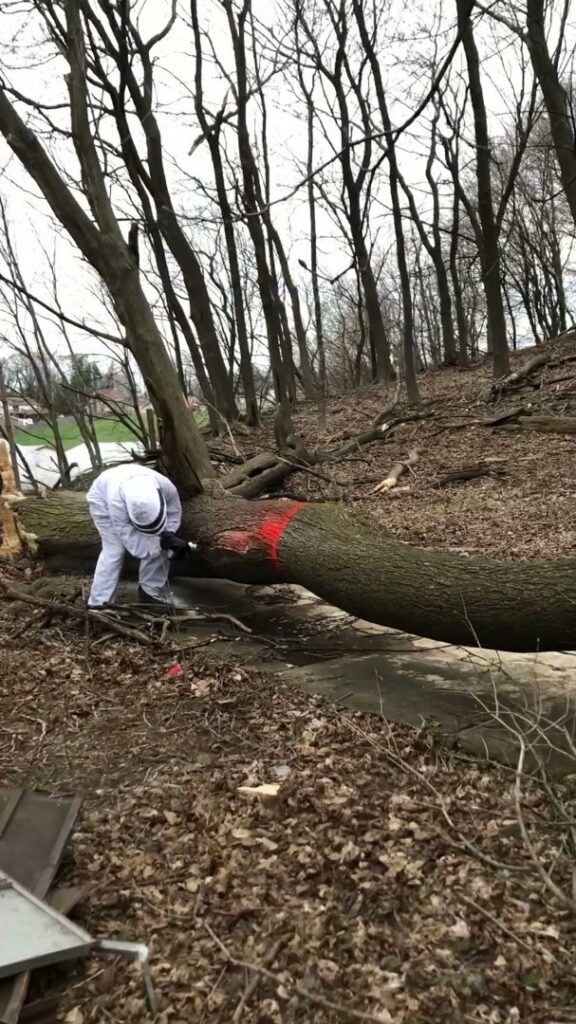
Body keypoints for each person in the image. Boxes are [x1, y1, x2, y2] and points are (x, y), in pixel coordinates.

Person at [86, 463, 192, 609]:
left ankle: (150, 592)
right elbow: (134, 545)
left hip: (127, 482)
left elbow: (174, 512)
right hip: (102, 499)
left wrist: (170, 535)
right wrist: (162, 543)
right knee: (114, 550)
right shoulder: (116, 505)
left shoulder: (166, 487)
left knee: (159, 540)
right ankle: (98, 603)